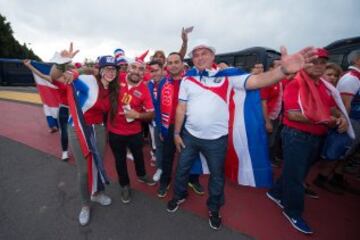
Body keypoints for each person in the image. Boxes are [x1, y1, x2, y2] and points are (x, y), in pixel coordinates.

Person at [166, 41, 316, 230]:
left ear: (213, 56)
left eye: (204, 53)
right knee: (181, 169)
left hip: (217, 141)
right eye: (195, 55)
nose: (200, 57)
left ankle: (214, 208)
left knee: (217, 177)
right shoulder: (188, 79)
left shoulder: (227, 76)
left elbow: (256, 81)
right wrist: (177, 133)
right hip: (190, 136)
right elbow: (181, 107)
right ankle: (179, 195)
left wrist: (282, 71)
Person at [267, 48, 350, 234]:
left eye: (322, 62)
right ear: (305, 63)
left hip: (316, 136)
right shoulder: (296, 83)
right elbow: (292, 114)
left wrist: (341, 118)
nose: (319, 66)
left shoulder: (324, 86)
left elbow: (332, 108)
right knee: (297, 177)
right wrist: (323, 118)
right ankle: (292, 211)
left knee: (298, 170)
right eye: (314, 62)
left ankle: (275, 192)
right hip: (297, 135)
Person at [50, 44, 116, 226]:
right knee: (84, 170)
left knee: (98, 164)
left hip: (99, 129)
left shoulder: (112, 88)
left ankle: (97, 193)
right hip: (78, 128)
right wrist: (62, 62)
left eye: (114, 69)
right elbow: (55, 76)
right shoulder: (88, 81)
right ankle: (85, 205)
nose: (111, 72)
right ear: (100, 70)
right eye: (107, 68)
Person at [107, 55, 156, 204]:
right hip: (114, 131)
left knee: (139, 155)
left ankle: (141, 175)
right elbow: (95, 74)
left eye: (141, 69)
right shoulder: (116, 78)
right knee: (120, 160)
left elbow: (151, 114)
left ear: (144, 72)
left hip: (134, 132)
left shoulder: (145, 89)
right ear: (128, 68)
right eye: (134, 67)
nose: (136, 71)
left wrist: (138, 115)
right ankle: (125, 185)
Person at [157, 52, 204, 198]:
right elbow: (158, 107)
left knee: (192, 155)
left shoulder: (192, 79)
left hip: (190, 125)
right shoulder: (162, 83)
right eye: (170, 63)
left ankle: (193, 179)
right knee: (167, 155)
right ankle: (165, 181)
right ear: (167, 66)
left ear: (182, 63)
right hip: (169, 125)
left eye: (176, 62)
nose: (173, 65)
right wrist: (160, 127)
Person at [24, 59, 69, 160]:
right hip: (64, 110)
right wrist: (29, 66)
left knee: (80, 132)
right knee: (64, 132)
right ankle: (65, 152)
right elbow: (40, 74)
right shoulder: (57, 80)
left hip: (77, 111)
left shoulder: (75, 78)